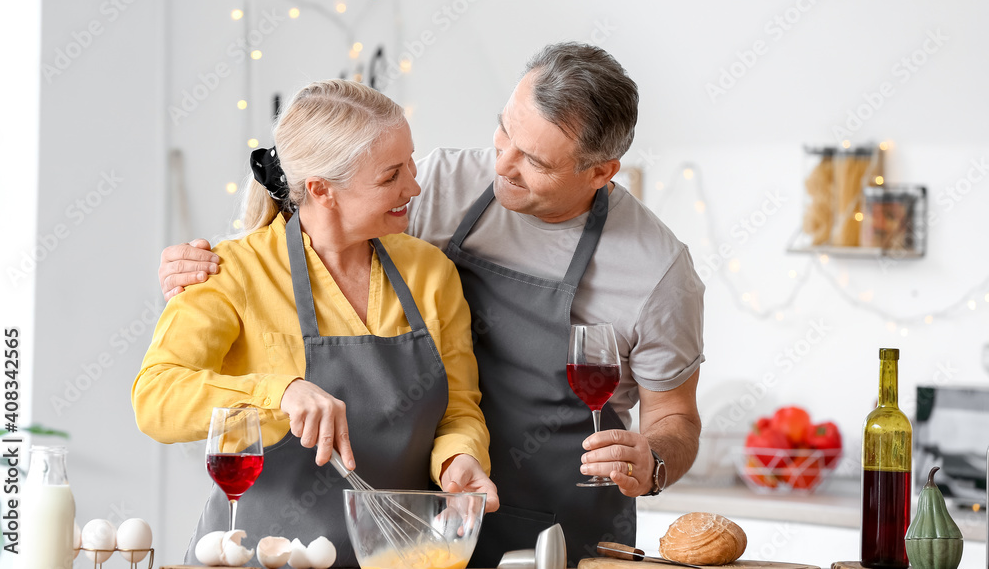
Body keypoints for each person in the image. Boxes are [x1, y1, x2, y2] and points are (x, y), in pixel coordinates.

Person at [158, 43, 705, 565]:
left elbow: (675, 417)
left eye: (534, 160)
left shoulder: (657, 271)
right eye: (504, 131)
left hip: (557, 532)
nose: (502, 165)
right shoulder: (444, 183)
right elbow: (323, 225)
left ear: (601, 172)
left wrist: (652, 462)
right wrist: (205, 266)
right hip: (432, 524)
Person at [134, 79, 498, 566]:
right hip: (253, 557)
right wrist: (278, 392)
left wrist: (460, 459)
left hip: (393, 556)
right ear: (322, 190)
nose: (413, 185)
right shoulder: (231, 272)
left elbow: (457, 409)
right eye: (391, 175)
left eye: (411, 163)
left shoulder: (430, 272)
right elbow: (155, 399)